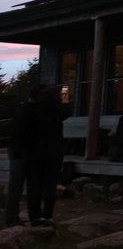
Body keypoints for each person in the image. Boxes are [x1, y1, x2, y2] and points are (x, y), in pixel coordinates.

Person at [17, 84, 70, 226]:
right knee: (50, 185)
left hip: (36, 151)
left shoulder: (35, 109)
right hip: (54, 152)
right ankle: (48, 215)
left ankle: (34, 216)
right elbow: (67, 110)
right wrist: (65, 95)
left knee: (34, 185)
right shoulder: (59, 110)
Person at [5, 86, 38, 227]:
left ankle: (16, 215)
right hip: (20, 150)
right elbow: (19, 133)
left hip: (20, 150)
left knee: (18, 184)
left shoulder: (25, 109)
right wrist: (17, 154)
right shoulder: (28, 111)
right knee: (16, 185)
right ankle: (12, 217)